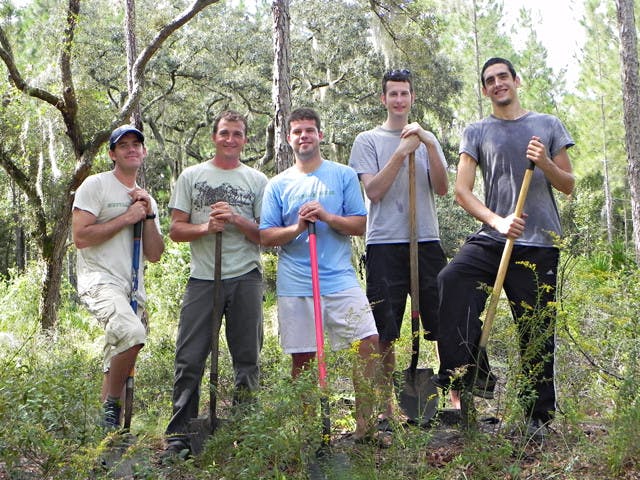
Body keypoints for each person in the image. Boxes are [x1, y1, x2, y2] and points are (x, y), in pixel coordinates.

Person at [433, 57, 575, 439]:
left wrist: (544, 161)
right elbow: (462, 192)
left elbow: (568, 184)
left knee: (537, 331)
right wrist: (496, 221)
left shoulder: (547, 125)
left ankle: (537, 420)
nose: (497, 84)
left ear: (516, 81)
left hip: (540, 244)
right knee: (451, 279)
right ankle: (469, 375)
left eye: (503, 77)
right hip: (494, 236)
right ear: (484, 90)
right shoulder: (477, 130)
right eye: (490, 80)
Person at [260, 108, 386, 445]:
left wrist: (328, 216)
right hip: (296, 282)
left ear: (320, 135)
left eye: (310, 130)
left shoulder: (342, 175)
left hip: (340, 278)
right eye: (297, 131)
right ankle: (310, 431)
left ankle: (366, 425)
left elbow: (359, 224)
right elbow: (266, 236)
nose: (304, 136)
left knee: (368, 342)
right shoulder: (278, 184)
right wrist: (298, 227)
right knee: (302, 357)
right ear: (289, 138)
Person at [164, 110, 268, 457]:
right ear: (214, 137)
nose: (230, 139)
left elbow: (264, 236)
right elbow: (177, 229)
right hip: (203, 279)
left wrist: (236, 218)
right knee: (190, 358)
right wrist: (206, 228)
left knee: (247, 356)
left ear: (245, 140)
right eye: (224, 133)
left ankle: (245, 429)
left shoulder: (256, 180)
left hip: (245, 277)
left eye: (237, 134)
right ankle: (180, 433)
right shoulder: (191, 176)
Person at [348, 69, 449, 420]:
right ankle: (387, 407)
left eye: (405, 93)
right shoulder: (368, 140)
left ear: (412, 97)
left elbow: (441, 188)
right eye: (393, 94)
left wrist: (427, 144)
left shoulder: (427, 138)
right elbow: (373, 191)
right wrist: (401, 152)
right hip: (384, 243)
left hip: (425, 240)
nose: (399, 100)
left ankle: (450, 398)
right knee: (384, 328)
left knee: (442, 322)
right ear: (384, 99)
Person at [72, 125, 165, 431]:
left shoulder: (146, 198)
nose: (131, 149)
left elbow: (154, 253)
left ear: (144, 152)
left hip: (132, 286)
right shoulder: (95, 186)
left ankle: (108, 439)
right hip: (98, 280)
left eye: (136, 144)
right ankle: (111, 406)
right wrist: (126, 218)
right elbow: (81, 237)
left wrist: (147, 214)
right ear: (112, 154)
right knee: (132, 333)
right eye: (123, 145)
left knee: (119, 352)